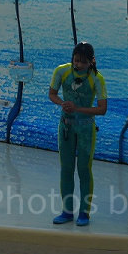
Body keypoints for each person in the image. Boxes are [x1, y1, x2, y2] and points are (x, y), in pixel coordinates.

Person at [49, 41, 107, 226]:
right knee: (66, 168)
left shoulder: (97, 79)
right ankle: (67, 211)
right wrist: (62, 104)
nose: (78, 65)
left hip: (85, 128)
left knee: (84, 168)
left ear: (92, 61)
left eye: (83, 61)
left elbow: (102, 109)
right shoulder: (62, 71)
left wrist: (78, 108)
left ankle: (84, 212)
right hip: (66, 126)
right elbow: (52, 94)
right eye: (76, 60)